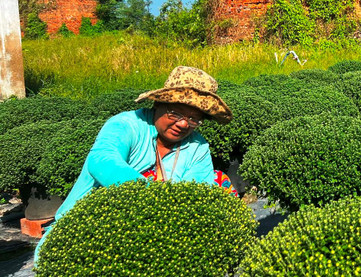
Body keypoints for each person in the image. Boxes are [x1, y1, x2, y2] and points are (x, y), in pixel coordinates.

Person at [34, 66, 233, 260]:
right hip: (85, 232)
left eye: (193, 119)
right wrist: (151, 197)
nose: (183, 124)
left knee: (219, 181)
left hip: (155, 239)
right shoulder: (126, 125)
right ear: (158, 105)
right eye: (176, 113)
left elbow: (197, 194)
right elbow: (102, 160)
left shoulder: (197, 145)